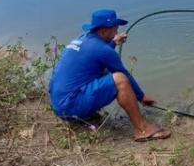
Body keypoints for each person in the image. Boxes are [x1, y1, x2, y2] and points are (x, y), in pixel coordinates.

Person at [49, 9, 171, 142]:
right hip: (71, 107)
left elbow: (98, 52)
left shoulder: (81, 39)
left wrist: (113, 43)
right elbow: (123, 74)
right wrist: (141, 97)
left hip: (59, 106)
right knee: (120, 80)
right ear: (104, 30)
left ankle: (85, 115)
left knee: (104, 69)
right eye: (115, 29)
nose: (116, 32)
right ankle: (142, 129)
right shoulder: (103, 50)